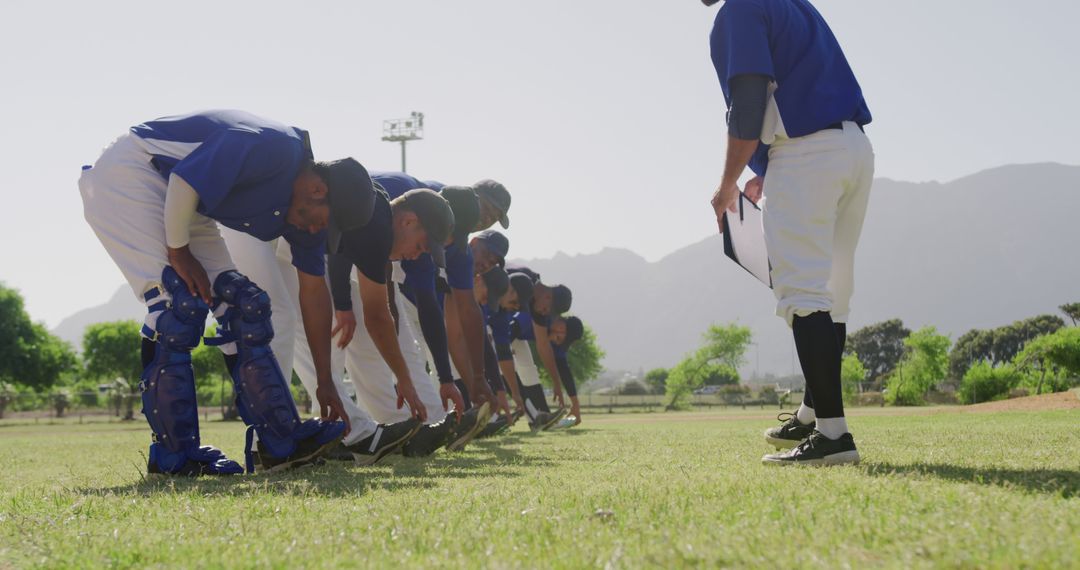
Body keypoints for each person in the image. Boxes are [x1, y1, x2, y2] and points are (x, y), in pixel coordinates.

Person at [78, 110, 363, 475]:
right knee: (175, 306)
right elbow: (185, 177)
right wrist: (179, 252)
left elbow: (313, 293)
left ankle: (279, 441)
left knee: (246, 308)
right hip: (133, 172)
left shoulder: (302, 207)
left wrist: (325, 381)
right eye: (322, 222)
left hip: (185, 198)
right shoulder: (274, 147)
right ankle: (174, 456)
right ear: (317, 190)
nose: (315, 230)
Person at [704, 0, 874, 465]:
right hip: (852, 147)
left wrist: (726, 186)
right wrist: (767, 166)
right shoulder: (792, 3)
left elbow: (750, 101)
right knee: (833, 294)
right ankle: (812, 413)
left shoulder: (738, 9)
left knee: (802, 293)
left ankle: (834, 437)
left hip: (805, 153)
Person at [548, 315, 585, 427]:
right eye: (568, 339)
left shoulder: (559, 344)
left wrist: (575, 404)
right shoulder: (545, 320)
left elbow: (564, 370)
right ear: (561, 328)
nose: (566, 344)